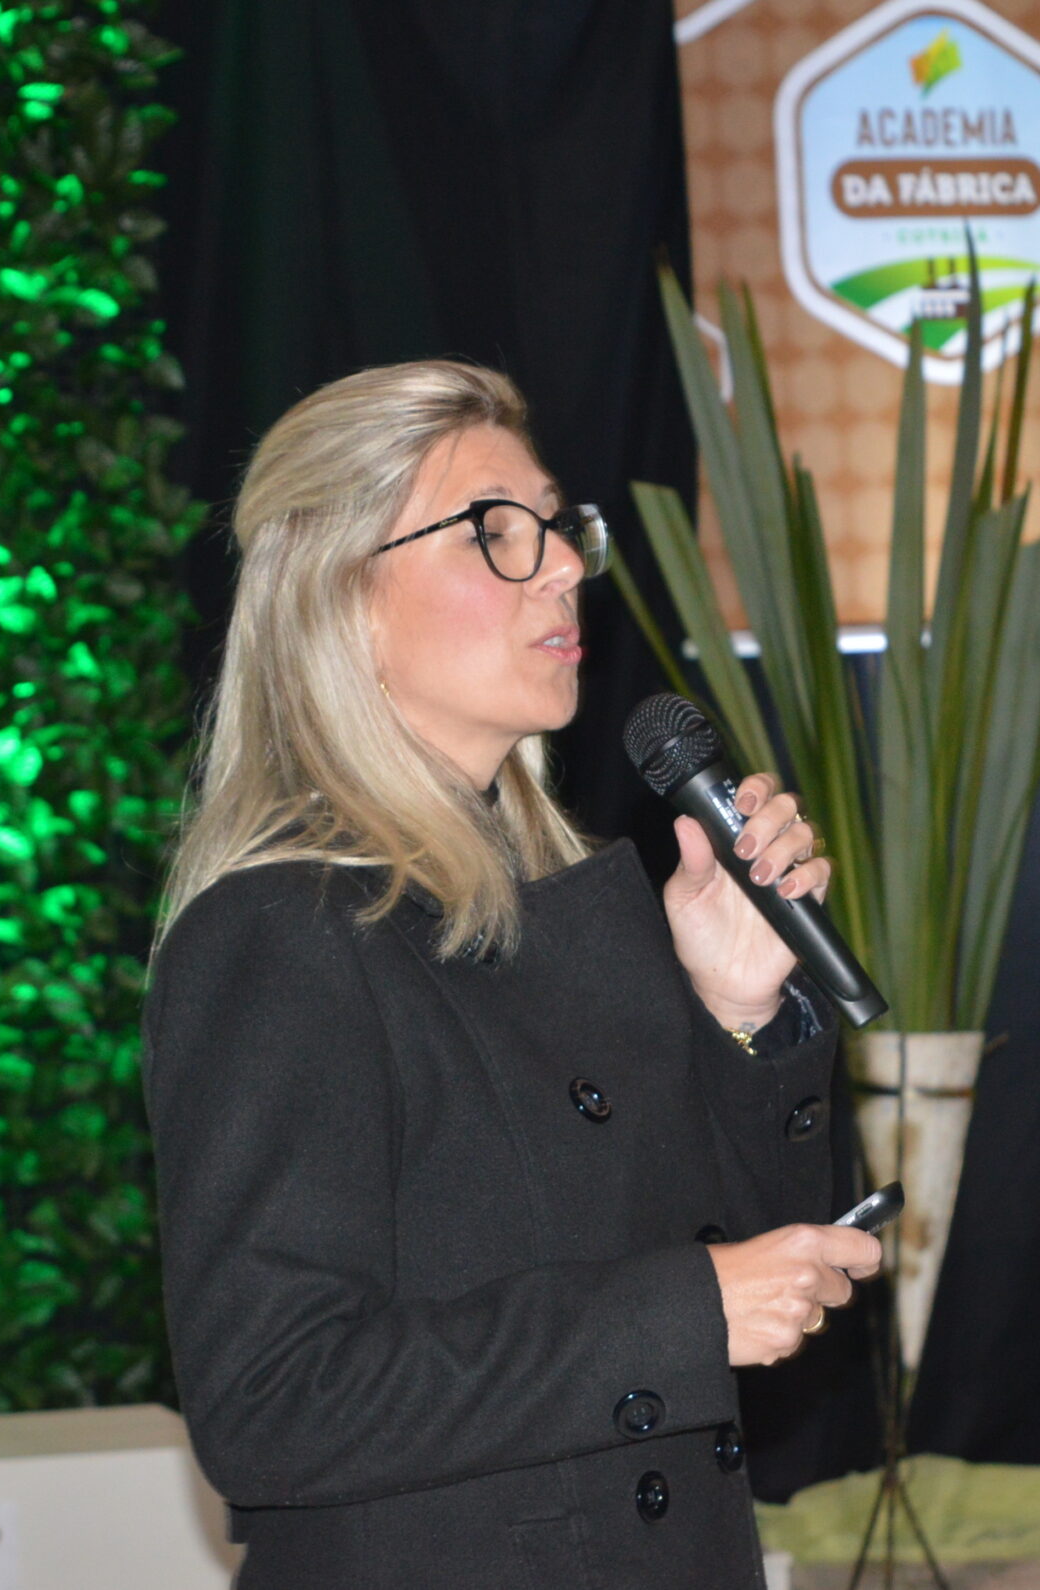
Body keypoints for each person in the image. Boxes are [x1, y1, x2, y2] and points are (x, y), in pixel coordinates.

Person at [144, 359, 882, 1589]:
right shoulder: (279, 932)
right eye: (494, 531)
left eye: (556, 527)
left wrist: (736, 1011)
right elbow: (271, 1397)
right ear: (342, 594)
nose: (560, 570)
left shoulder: (580, 912)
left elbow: (743, 1286)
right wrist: (681, 1314)